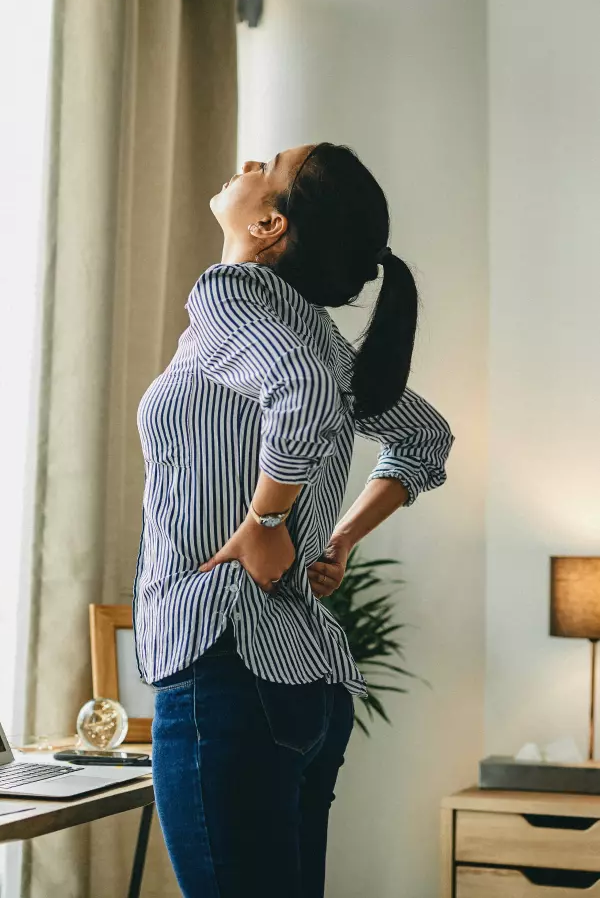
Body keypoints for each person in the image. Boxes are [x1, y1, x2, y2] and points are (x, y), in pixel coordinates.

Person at [134, 144, 453, 897]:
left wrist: (269, 520)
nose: (245, 161)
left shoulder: (230, 295)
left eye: (268, 164)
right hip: (301, 683)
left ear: (271, 223)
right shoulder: (312, 334)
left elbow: (305, 396)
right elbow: (423, 437)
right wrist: (336, 539)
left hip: (227, 668)